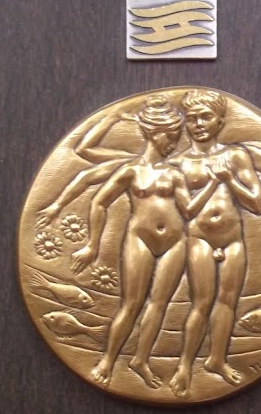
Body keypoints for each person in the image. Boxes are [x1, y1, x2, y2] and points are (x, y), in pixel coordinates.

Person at [70, 95, 218, 390]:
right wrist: (92, 244)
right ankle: (107, 361)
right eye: (171, 137)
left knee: (159, 303)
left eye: (176, 137)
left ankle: (140, 360)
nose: (174, 143)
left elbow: (188, 211)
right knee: (132, 304)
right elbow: (99, 202)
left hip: (175, 242)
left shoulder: (174, 173)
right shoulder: (131, 171)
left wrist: (214, 184)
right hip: (139, 238)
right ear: (154, 133)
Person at [169, 89, 261, 397]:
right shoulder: (178, 163)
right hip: (199, 238)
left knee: (227, 302)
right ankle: (185, 366)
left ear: (220, 121)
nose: (198, 124)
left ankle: (217, 360)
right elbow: (182, 211)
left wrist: (230, 179)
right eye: (192, 118)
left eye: (205, 117)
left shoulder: (236, 156)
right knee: (201, 302)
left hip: (232, 238)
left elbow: (257, 204)